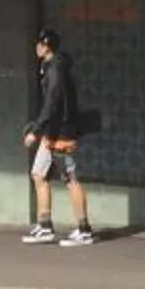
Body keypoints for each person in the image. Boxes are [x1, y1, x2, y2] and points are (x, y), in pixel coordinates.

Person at [22, 26, 93, 245]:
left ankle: (84, 229)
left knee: (69, 178)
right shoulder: (49, 67)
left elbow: (52, 102)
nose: (36, 47)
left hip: (62, 131)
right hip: (51, 131)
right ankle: (45, 226)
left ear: (46, 46)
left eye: (39, 44)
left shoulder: (55, 70)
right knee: (38, 174)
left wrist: (35, 130)